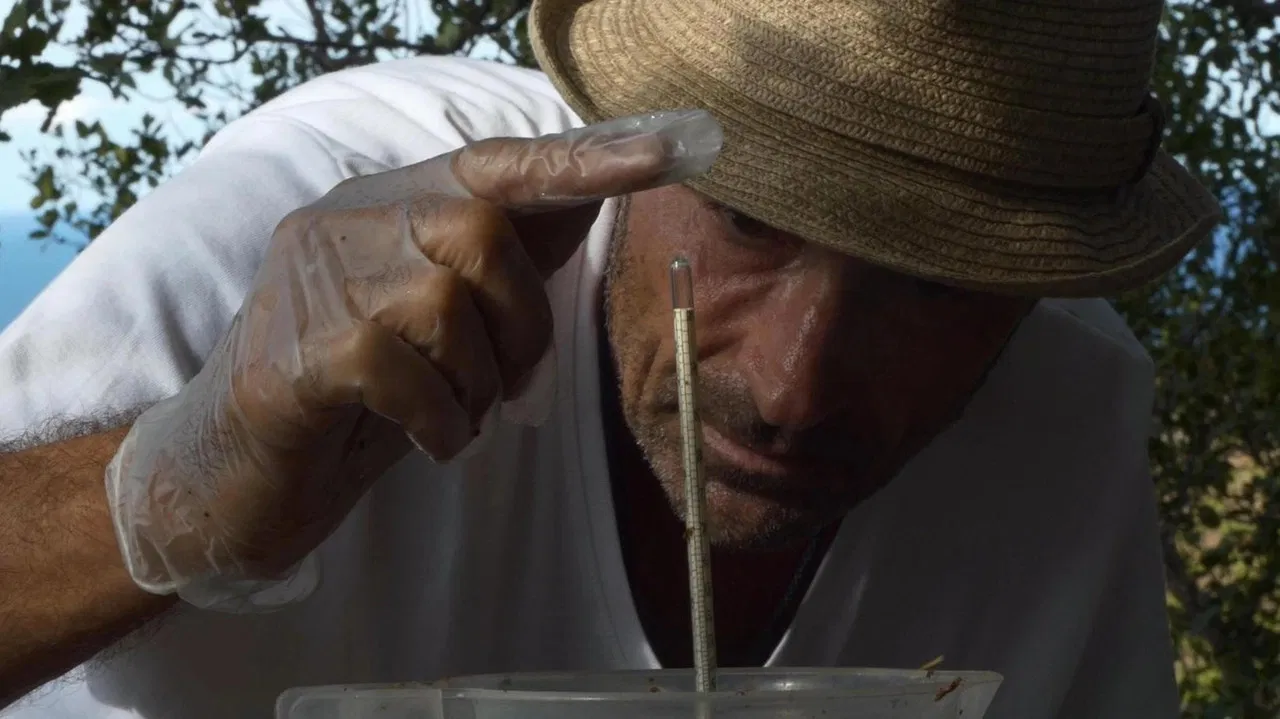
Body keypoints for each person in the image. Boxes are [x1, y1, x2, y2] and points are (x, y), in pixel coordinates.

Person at [0, 0, 1221, 716]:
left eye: (941, 279)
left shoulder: (1071, 401)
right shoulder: (316, 217)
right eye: (749, 219)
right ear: (615, 137)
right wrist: (163, 497)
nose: (794, 389)